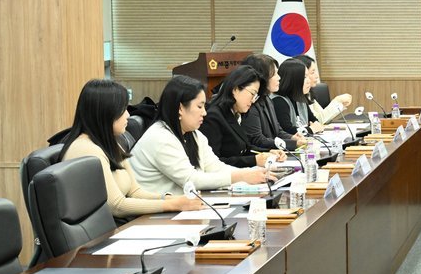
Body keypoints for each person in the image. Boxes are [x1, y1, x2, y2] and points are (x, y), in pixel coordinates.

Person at [59, 79, 203, 220]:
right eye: (123, 110)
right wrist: (171, 205)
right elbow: (117, 206)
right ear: (106, 112)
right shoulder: (87, 150)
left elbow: (135, 191)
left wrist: (172, 198)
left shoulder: (111, 142)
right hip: (109, 231)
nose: (128, 115)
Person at [132, 75, 274, 197]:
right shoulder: (161, 137)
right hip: (151, 214)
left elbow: (215, 167)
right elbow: (191, 180)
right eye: (199, 107)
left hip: (180, 207)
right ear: (180, 108)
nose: (204, 113)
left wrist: (253, 174)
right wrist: (242, 176)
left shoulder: (194, 134)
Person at [201, 66, 284, 168]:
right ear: (235, 89)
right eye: (252, 94)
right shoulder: (213, 117)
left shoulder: (235, 113)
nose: (253, 100)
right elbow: (213, 163)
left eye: (256, 96)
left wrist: (269, 152)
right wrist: (254, 160)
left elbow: (246, 148)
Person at [242, 54, 305, 151]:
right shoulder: (250, 104)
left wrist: (292, 138)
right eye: (275, 74)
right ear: (262, 77)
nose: (279, 78)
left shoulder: (267, 99)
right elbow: (257, 140)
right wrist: (293, 144)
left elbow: (278, 131)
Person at [294, 54, 353, 122]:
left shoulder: (308, 92)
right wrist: (337, 100)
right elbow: (318, 120)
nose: (317, 76)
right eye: (312, 72)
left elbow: (323, 119)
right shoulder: (297, 96)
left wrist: (340, 103)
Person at [273, 58, 317, 135]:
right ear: (293, 80)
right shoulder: (279, 101)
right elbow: (287, 130)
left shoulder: (300, 97)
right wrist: (310, 129)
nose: (309, 81)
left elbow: (314, 121)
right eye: (304, 77)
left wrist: (313, 127)